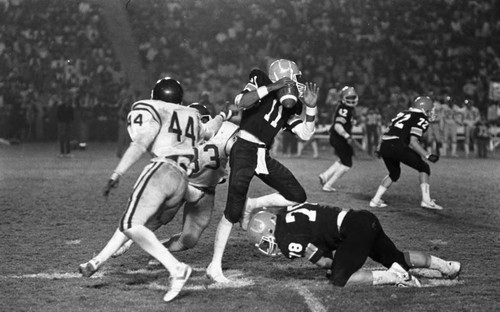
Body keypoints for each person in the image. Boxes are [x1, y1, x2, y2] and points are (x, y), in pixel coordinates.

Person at [78, 77, 226, 302]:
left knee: (130, 223)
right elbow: (210, 131)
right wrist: (223, 115)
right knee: (132, 221)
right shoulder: (192, 115)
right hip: (182, 180)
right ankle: (96, 262)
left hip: (162, 169)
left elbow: (139, 143)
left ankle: (176, 269)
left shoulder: (154, 108)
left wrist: (117, 173)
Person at [206, 59, 319, 283]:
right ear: (284, 76)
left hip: (262, 155)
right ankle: (214, 265)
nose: (298, 82)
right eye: (295, 77)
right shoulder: (261, 80)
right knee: (232, 212)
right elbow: (240, 101)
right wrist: (274, 87)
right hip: (244, 149)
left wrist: (311, 107)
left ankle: (253, 204)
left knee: (297, 196)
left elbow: (305, 134)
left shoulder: (292, 104)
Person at [246, 202, 461, 287]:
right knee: (397, 257)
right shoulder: (286, 213)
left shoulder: (286, 239)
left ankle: (397, 277)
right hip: (363, 218)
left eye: (266, 241)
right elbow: (320, 231)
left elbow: (323, 261)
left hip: (353, 230)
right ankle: (448, 266)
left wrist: (336, 266)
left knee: (339, 278)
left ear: (271, 229)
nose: (269, 246)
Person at [369, 96, 442, 210]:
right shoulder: (421, 118)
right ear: (424, 109)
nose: (431, 112)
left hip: (385, 144)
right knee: (424, 167)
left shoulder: (402, 113)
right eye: (430, 109)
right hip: (397, 145)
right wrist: (427, 155)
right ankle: (426, 201)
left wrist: (379, 147)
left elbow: (387, 130)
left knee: (394, 173)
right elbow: (413, 142)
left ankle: (375, 200)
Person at [318, 86, 358, 192]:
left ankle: (325, 176)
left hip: (338, 138)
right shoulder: (345, 109)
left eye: (352, 97)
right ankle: (328, 185)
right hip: (339, 138)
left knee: (344, 159)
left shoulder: (346, 108)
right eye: (349, 97)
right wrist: (346, 135)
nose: (351, 99)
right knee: (347, 164)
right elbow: (337, 125)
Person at [56, 93, 74, 157]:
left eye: (68, 99)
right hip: (62, 124)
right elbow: (58, 116)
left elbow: (72, 117)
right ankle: (62, 152)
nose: (67, 100)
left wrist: (69, 122)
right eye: (66, 99)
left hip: (68, 124)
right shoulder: (60, 107)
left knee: (68, 139)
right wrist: (62, 122)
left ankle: (68, 152)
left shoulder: (71, 108)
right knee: (62, 139)